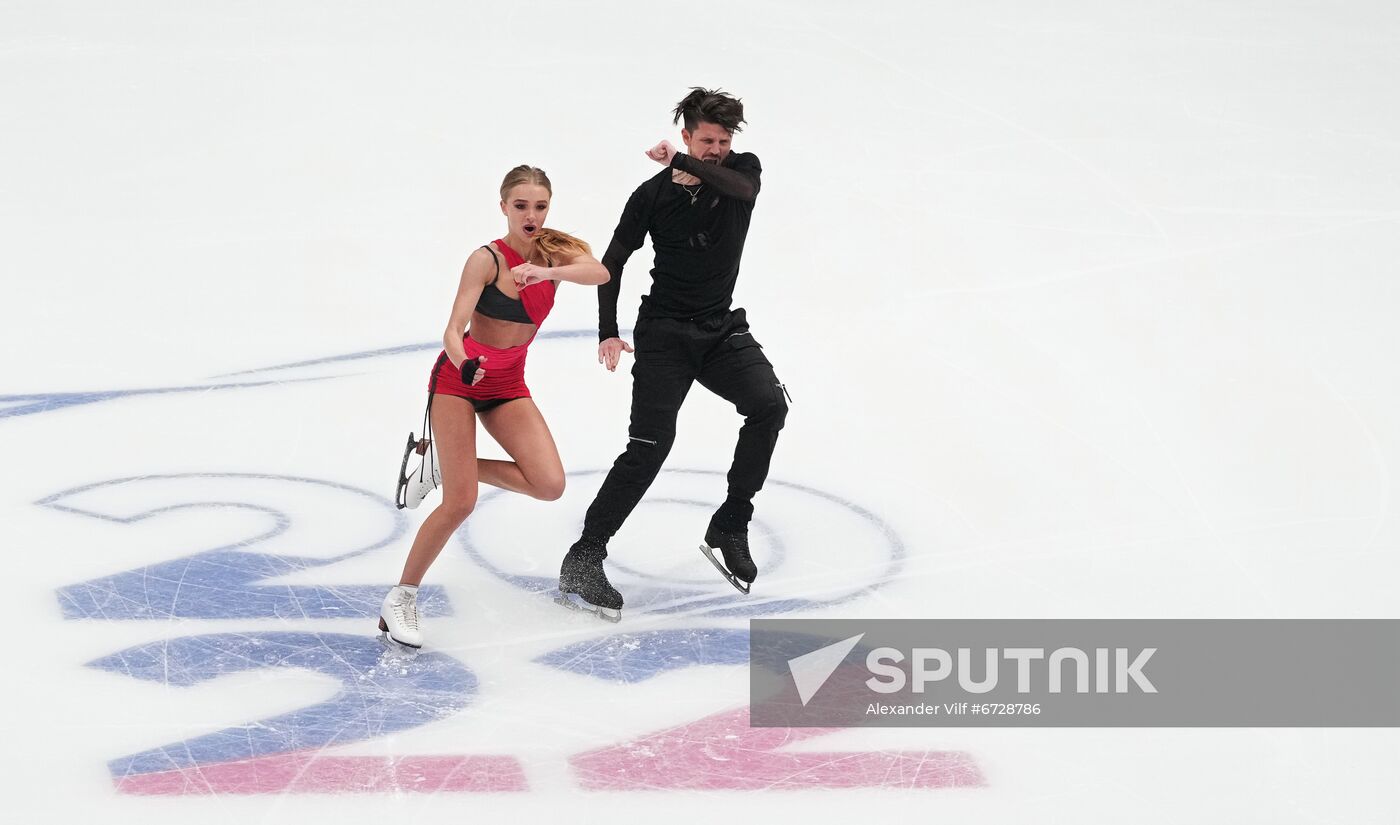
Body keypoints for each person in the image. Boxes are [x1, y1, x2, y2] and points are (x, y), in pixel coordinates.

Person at [556, 88, 789, 621]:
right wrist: (607, 331)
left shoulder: (741, 172)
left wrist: (687, 164)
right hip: (664, 333)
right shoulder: (652, 195)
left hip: (721, 330)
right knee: (649, 446)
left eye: (723, 141)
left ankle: (730, 523)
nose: (716, 150)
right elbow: (610, 263)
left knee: (769, 405)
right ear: (687, 134)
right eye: (705, 140)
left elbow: (741, 190)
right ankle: (585, 556)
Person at [380, 165, 609, 648]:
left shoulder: (554, 251)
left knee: (549, 484)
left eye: (540, 206)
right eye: (521, 206)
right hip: (459, 382)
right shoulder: (485, 259)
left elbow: (600, 271)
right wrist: (464, 363)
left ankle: (446, 465)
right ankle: (401, 597)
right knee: (461, 502)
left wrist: (546, 271)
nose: (531, 215)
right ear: (503, 207)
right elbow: (452, 330)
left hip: (509, 384)